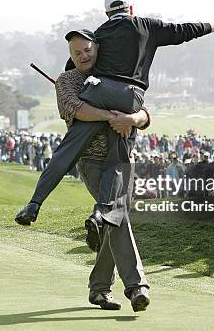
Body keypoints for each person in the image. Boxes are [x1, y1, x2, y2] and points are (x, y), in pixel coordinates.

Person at [16, 0, 214, 226]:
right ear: (131, 9)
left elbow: (77, 63)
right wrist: (213, 26)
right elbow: (181, 31)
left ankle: (35, 203)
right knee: (118, 161)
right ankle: (100, 213)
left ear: (107, 14)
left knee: (66, 150)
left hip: (98, 92)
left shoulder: (99, 34)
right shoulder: (147, 25)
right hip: (131, 97)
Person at [42, 29, 153, 312]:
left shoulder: (113, 74)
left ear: (97, 48)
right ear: (71, 57)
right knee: (119, 216)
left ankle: (99, 288)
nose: (83, 56)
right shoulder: (66, 82)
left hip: (123, 160)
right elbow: (77, 111)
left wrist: (131, 118)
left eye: (87, 50)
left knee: (114, 219)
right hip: (91, 161)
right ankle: (136, 286)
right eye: (76, 53)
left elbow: (144, 112)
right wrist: (111, 116)